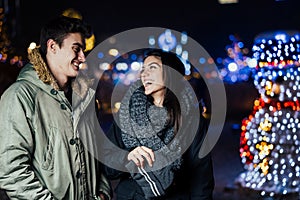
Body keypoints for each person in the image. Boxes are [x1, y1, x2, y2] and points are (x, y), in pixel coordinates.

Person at [0, 15, 112, 200]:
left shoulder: (86, 98)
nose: (82, 57)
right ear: (52, 46)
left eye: (83, 50)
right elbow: (11, 170)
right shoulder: (20, 96)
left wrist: (103, 194)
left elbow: (98, 154)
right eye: (76, 49)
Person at [103, 49, 215, 199]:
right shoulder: (126, 114)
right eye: (143, 69)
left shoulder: (190, 118)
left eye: (152, 68)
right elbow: (107, 166)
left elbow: (201, 177)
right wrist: (127, 157)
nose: (144, 73)